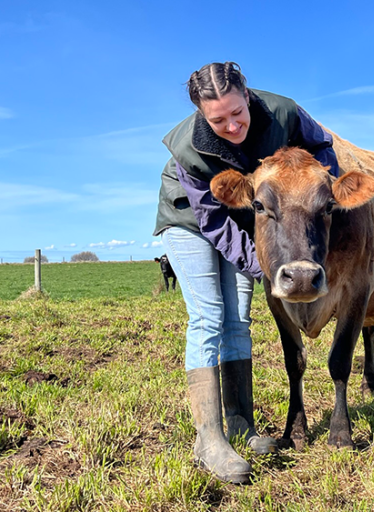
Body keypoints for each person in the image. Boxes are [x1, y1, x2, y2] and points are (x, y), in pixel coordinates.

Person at [153, 62, 340, 483]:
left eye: (238, 113)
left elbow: (322, 146)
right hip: (190, 221)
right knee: (209, 317)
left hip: (251, 211)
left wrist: (326, 185)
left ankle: (241, 423)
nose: (232, 126)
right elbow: (212, 222)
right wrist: (264, 267)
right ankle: (210, 439)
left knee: (238, 318)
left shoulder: (284, 111)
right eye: (217, 120)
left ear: (248, 95)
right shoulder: (187, 148)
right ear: (201, 113)